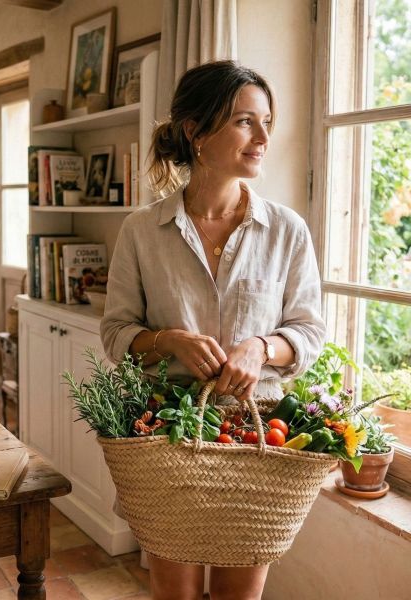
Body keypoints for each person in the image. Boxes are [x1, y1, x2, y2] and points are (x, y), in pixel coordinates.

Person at [100, 60, 325, 600]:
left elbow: (309, 331)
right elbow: (114, 333)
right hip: (167, 442)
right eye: (246, 122)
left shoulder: (287, 231)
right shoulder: (141, 231)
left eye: (266, 121)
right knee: (172, 595)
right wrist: (165, 341)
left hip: (258, 439)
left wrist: (262, 347)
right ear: (195, 133)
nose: (265, 137)